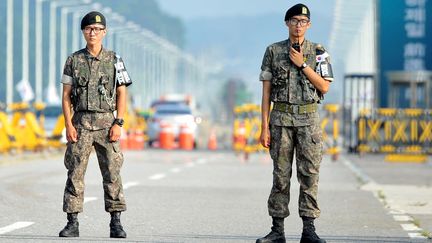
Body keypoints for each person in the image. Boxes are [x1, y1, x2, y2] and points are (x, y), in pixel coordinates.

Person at [256, 3, 333, 243]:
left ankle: (308, 230)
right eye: (294, 21)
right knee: (280, 176)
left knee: (309, 175)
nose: (298, 25)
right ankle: (277, 230)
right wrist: (263, 127)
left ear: (309, 25)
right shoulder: (273, 51)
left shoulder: (319, 51)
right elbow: (266, 92)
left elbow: (324, 86)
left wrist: (303, 64)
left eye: (303, 21)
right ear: (286, 23)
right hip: (280, 120)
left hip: (308, 121)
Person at [59, 11, 132, 238]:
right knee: (75, 173)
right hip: (80, 123)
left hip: (106, 125)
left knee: (112, 172)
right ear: (83, 32)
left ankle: (116, 222)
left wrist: (119, 122)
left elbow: (121, 93)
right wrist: (68, 125)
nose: (93, 33)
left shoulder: (115, 60)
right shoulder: (73, 60)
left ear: (104, 32)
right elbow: (65, 95)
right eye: (89, 29)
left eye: (98, 29)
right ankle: (72, 222)